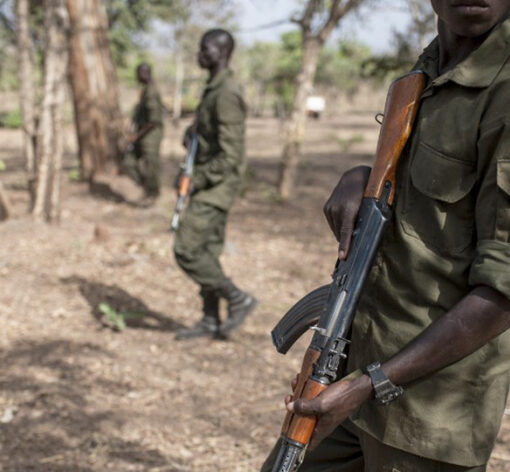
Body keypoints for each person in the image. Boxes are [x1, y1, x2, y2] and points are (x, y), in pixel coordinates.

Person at [263, 1, 510, 471]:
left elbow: (503, 288)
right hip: (353, 367)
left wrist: (369, 384)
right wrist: (364, 174)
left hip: (427, 413)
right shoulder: (432, 68)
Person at [174, 29, 257, 340]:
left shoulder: (226, 93)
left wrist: (196, 179)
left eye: (206, 48)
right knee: (206, 250)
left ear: (222, 52)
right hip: (210, 181)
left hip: (217, 185)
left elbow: (232, 156)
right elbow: (210, 137)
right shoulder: (213, 88)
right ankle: (210, 319)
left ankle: (238, 298)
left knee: (186, 249)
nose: (200, 53)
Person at [123, 63, 164, 204]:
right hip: (142, 133)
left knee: (151, 164)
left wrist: (136, 135)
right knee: (128, 162)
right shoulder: (145, 90)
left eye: (139, 73)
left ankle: (153, 194)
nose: (137, 76)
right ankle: (147, 188)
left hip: (151, 134)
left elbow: (153, 121)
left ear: (145, 73)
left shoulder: (151, 92)